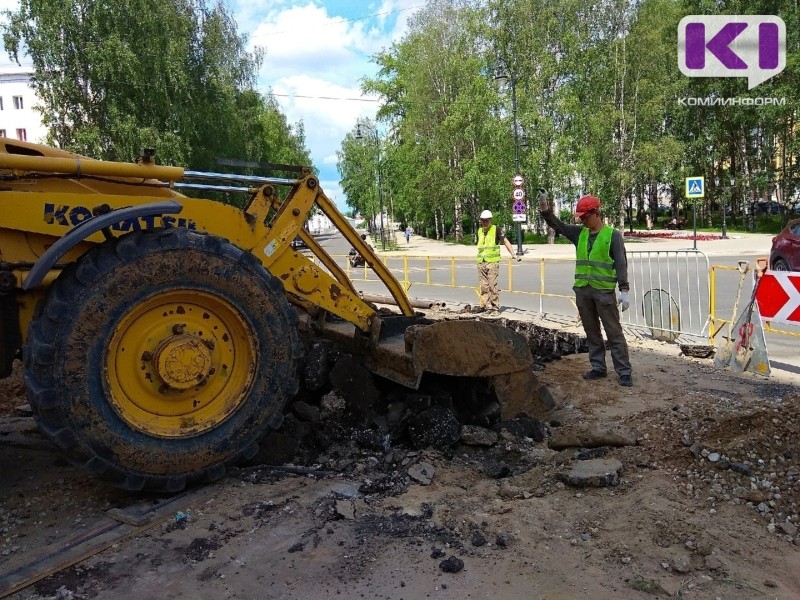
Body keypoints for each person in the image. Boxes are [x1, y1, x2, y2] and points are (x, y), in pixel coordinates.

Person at [537, 191, 633, 386]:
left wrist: (624, 290)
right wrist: (545, 209)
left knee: (614, 333)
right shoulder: (579, 233)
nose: (582, 221)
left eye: (585, 217)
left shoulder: (612, 236)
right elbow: (559, 226)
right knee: (592, 332)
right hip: (583, 290)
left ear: (596, 212)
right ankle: (598, 367)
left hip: (603, 292)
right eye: (580, 218)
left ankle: (624, 371)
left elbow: (621, 263)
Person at [476, 209, 520, 315]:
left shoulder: (496, 229)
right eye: (483, 220)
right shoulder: (480, 231)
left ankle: (495, 308)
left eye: (486, 220)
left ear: (490, 220)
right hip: (481, 262)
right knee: (484, 287)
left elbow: (505, 241)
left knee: (492, 286)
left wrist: (513, 254)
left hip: (492, 262)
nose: (484, 222)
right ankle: (488, 307)